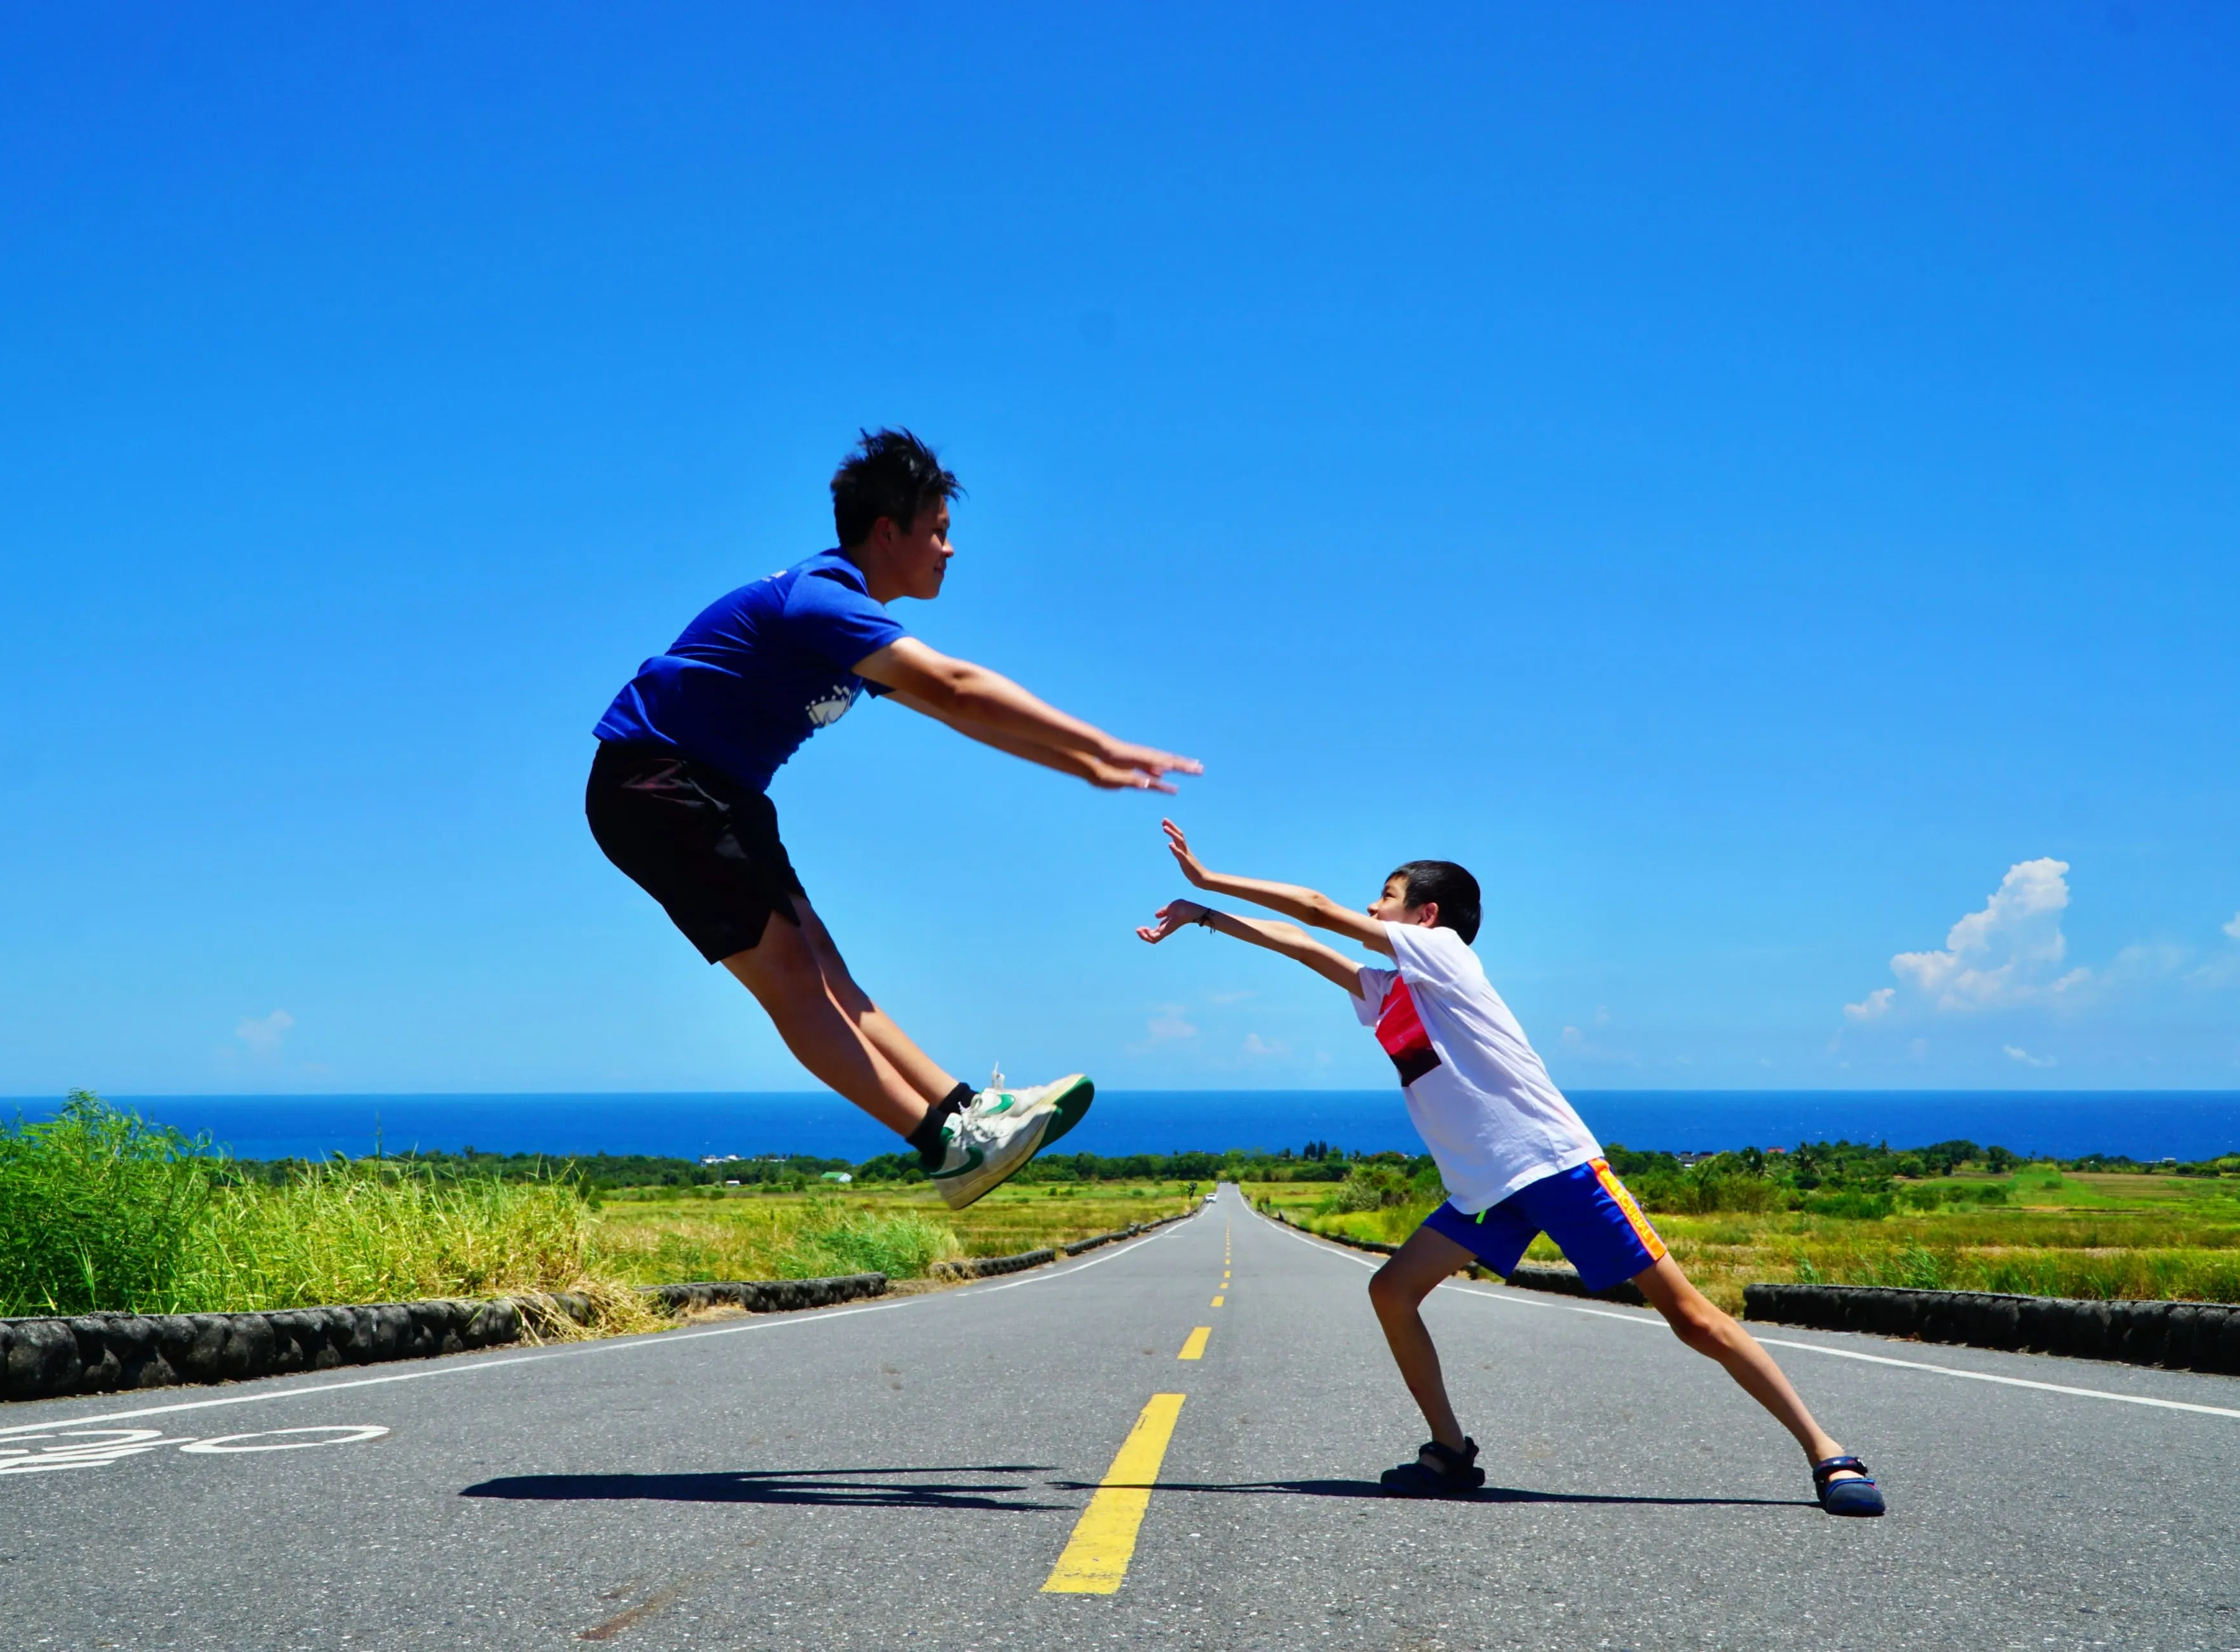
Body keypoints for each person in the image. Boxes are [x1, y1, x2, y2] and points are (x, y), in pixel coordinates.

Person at [1133, 820, 1886, 1516]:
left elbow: (1317, 909)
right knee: (1391, 1290)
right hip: (1482, 1190)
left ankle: (1828, 1452)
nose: (1372, 904)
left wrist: (1208, 877)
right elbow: (1302, 944)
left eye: (1387, 896)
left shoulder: (1446, 955)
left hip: (1551, 1164)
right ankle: (1450, 1452)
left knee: (1689, 1316)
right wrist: (1204, 919)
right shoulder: (1393, 989)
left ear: (1426, 915)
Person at [588, 429, 1201, 1209]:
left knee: (825, 967)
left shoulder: (845, 618)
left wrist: (1083, 766)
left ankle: (961, 1111)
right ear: (888, 531)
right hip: (654, 781)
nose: (950, 549)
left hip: (721, 790)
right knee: (790, 974)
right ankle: (944, 1146)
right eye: (938, 530)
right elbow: (953, 681)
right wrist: (1100, 742)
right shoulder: (820, 598)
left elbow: (958, 713)